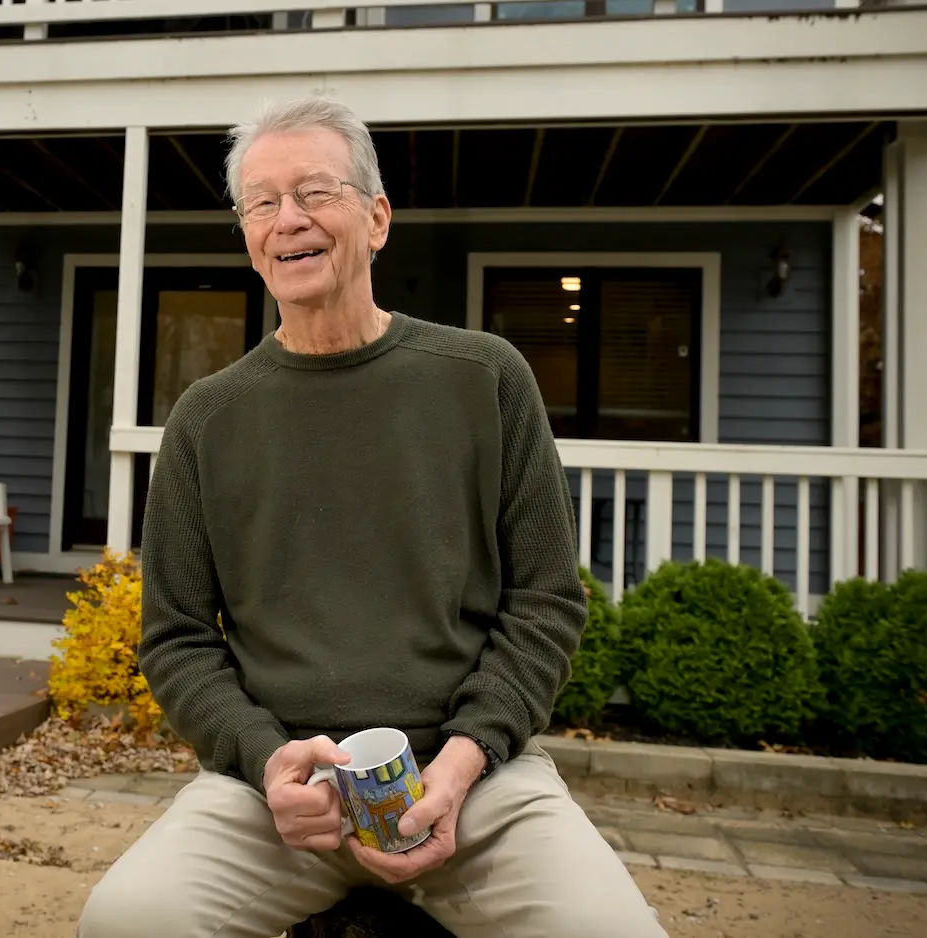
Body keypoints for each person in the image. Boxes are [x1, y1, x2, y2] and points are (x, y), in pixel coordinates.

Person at [74, 95, 667, 938]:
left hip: (476, 782)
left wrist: (465, 760)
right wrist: (265, 756)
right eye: (262, 203)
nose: (288, 220)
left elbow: (546, 603)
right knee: (127, 922)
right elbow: (175, 638)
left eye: (315, 192)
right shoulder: (207, 420)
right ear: (247, 235)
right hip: (280, 795)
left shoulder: (485, 379)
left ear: (377, 217)